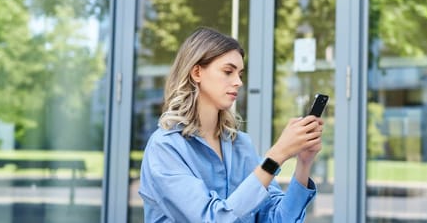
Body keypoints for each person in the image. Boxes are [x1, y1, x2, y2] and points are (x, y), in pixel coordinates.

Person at [139, 27, 324, 222]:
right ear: (196, 72)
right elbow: (213, 218)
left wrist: (304, 163)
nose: (238, 82)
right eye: (228, 71)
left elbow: (277, 218)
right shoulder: (165, 148)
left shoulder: (240, 145)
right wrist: (276, 156)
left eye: (240, 74)